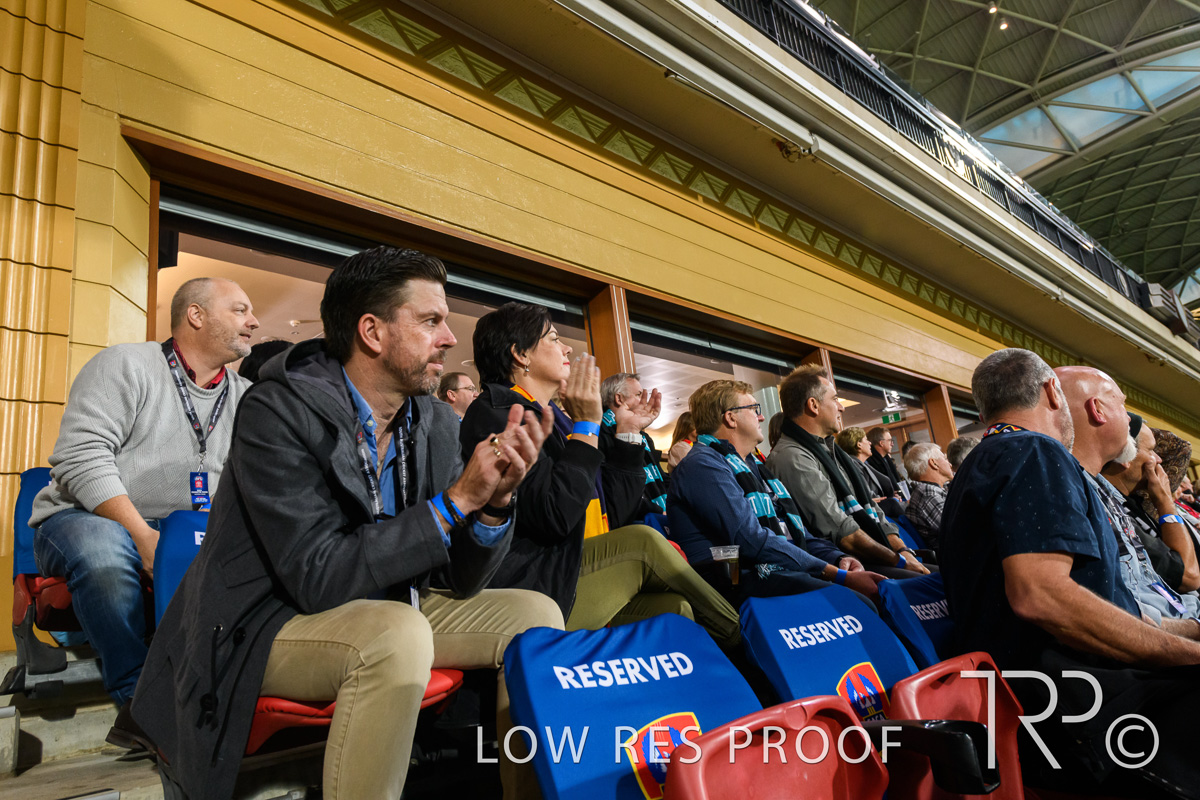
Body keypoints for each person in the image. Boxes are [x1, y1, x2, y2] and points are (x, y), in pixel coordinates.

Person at [132, 247, 564, 800]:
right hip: (265, 622)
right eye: (431, 321)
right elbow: (318, 578)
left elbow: (461, 579)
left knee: (536, 614)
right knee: (396, 633)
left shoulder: (431, 420)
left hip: (388, 605)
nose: (449, 338)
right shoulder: (277, 410)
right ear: (372, 332)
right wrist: (455, 502)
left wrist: (495, 505)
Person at [942, 350, 1200, 799]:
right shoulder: (1033, 450)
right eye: (1122, 403)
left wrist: (1190, 633)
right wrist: (1187, 654)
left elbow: (1109, 607)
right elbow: (1040, 595)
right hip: (1083, 715)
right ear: (1051, 392)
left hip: (1050, 709)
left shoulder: (994, 456)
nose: (1126, 416)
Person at [30, 277, 257, 745]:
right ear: (195, 315)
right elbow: (81, 457)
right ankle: (140, 702)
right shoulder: (126, 364)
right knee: (105, 552)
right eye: (240, 310)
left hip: (186, 527)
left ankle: (228, 691)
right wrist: (143, 535)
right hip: (87, 517)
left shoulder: (247, 397)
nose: (253, 321)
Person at [461, 302, 740, 648]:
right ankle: (743, 639)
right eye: (554, 338)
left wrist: (627, 433)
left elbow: (615, 513)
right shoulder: (499, 412)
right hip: (537, 584)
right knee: (643, 542)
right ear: (520, 354)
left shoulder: (557, 418)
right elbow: (555, 516)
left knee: (676, 608)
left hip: (575, 567)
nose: (567, 348)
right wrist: (587, 425)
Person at [668, 380, 885, 607]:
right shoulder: (702, 466)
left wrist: (839, 559)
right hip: (734, 583)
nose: (762, 417)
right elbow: (751, 540)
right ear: (731, 418)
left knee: (882, 589)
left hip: (768, 571)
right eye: (754, 409)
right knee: (861, 602)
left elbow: (796, 533)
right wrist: (836, 575)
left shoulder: (755, 468)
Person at [768, 365, 929, 577]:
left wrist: (903, 551)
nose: (841, 408)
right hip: (848, 565)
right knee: (936, 583)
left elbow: (872, 509)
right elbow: (844, 533)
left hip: (874, 556)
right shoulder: (792, 457)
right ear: (813, 405)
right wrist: (899, 562)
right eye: (835, 399)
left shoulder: (832, 451)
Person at [1100, 417, 1200, 594]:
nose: (1159, 460)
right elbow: (1188, 576)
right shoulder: (1111, 508)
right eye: (1152, 450)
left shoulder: (1137, 501)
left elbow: (1181, 448)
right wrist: (1165, 502)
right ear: (1125, 456)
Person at [599, 372, 667, 518]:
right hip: (634, 520)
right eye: (638, 395)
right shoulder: (599, 432)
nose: (643, 401)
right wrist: (658, 511)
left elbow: (660, 478)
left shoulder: (644, 437)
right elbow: (613, 490)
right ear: (619, 398)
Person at [836, 425, 904, 517]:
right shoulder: (853, 465)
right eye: (866, 440)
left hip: (877, 505)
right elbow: (867, 494)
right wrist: (887, 498)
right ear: (859, 444)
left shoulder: (861, 463)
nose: (870, 443)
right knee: (893, 503)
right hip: (871, 509)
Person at [902, 442, 953, 550]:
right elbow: (962, 530)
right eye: (945, 458)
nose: (949, 463)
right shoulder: (928, 495)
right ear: (934, 463)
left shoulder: (928, 490)